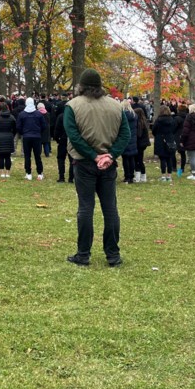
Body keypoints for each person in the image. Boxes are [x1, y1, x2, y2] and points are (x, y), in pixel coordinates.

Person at [63, 68, 130, 267]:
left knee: (85, 208)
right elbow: (125, 134)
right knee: (110, 209)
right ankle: (113, 255)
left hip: (84, 163)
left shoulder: (72, 106)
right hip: (107, 163)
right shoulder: (115, 106)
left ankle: (83, 254)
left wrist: (94, 156)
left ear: (81, 86)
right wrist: (110, 154)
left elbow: (73, 136)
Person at [16, 97, 48, 181]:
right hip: (36, 137)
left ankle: (28, 173)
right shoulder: (39, 114)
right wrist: (38, 132)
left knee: (27, 156)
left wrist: (23, 133)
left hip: (26, 137)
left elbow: (18, 126)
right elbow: (44, 126)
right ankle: (40, 173)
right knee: (37, 156)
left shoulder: (22, 114)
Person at [152, 106, 177, 182]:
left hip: (160, 139)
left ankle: (163, 176)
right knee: (169, 158)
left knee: (162, 158)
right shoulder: (172, 120)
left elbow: (154, 130)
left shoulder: (158, 120)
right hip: (169, 139)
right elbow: (174, 129)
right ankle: (169, 176)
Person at [0, 102, 16, 179]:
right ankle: (8, 172)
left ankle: (2, 172)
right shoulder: (12, 117)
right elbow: (15, 129)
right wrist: (12, 135)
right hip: (9, 137)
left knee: (1, 156)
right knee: (8, 156)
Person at [120, 101, 139, 183]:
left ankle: (127, 176)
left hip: (125, 138)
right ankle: (131, 175)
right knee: (131, 158)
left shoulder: (122, 115)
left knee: (125, 158)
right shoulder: (134, 115)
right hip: (133, 138)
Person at [132, 104, 151, 183]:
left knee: (137, 160)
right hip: (144, 143)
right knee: (140, 160)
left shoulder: (138, 123)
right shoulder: (144, 121)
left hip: (139, 143)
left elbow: (139, 134)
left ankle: (138, 177)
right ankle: (143, 176)